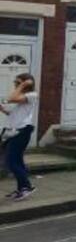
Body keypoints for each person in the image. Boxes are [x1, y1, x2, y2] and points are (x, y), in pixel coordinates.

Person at [1, 73, 37, 201]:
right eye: (16, 82)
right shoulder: (23, 97)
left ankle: (27, 186)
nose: (15, 84)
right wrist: (3, 110)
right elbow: (14, 114)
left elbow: (10, 98)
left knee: (11, 161)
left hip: (22, 131)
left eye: (18, 82)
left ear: (27, 83)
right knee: (17, 160)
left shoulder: (32, 95)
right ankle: (21, 188)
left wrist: (23, 84)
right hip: (13, 131)